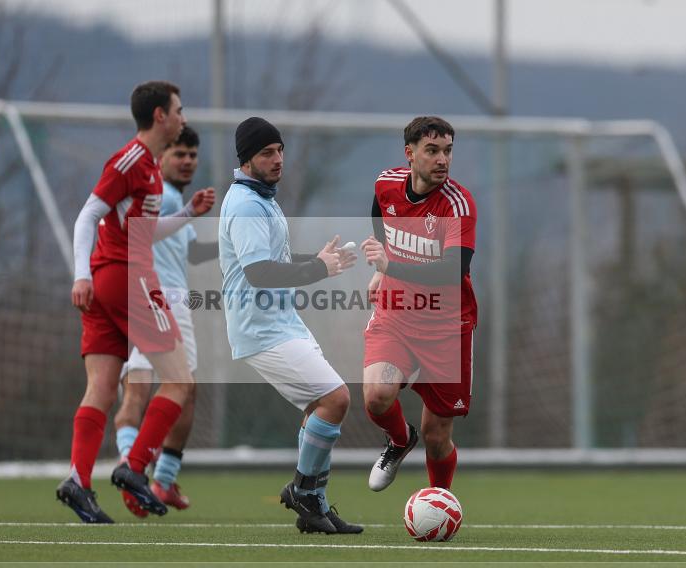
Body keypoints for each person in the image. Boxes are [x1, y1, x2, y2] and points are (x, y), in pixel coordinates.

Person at [57, 81, 214, 523]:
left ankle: (79, 481)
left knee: (103, 388)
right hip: (127, 279)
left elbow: (142, 231)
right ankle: (134, 467)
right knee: (180, 383)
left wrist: (187, 215)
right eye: (179, 110)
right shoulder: (130, 160)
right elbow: (87, 214)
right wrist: (81, 274)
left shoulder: (149, 169)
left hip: (113, 281)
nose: (184, 118)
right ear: (160, 115)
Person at [218, 117, 362, 535]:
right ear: (246, 159)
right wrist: (317, 268)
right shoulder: (246, 205)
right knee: (335, 398)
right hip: (261, 328)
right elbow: (259, 273)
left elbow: (272, 261)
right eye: (267, 153)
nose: (278, 159)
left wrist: (313, 261)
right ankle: (303, 490)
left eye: (280, 150)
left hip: (282, 322)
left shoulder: (260, 197)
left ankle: (313, 506)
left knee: (318, 407)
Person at [360, 116, 477, 494]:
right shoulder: (386, 183)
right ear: (409, 154)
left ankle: (439, 501)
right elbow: (380, 211)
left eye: (448, 151)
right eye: (432, 151)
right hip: (396, 314)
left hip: (446, 326)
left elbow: (452, 270)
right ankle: (397, 440)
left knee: (436, 433)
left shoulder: (457, 205)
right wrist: (382, 271)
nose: (442, 159)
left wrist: (388, 264)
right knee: (377, 396)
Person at [113, 125, 218, 516]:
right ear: (161, 156)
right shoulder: (161, 197)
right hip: (164, 299)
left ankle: (132, 469)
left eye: (193, 154)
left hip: (138, 298)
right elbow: (142, 236)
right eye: (179, 153)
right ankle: (157, 477)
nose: (188, 161)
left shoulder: (163, 196)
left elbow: (191, 254)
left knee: (137, 388)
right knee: (183, 390)